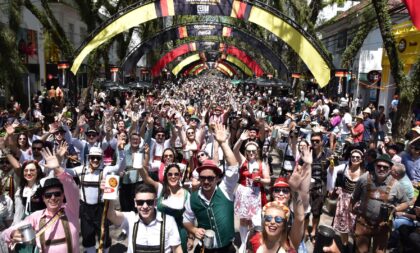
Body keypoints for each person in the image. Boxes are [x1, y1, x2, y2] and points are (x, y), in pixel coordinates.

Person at [2, 148, 80, 252]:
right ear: (43, 198)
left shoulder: (71, 210)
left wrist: (57, 168)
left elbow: (71, 187)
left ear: (63, 196)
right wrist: (12, 234)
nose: (53, 197)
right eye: (48, 195)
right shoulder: (36, 217)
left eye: (57, 194)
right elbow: (6, 233)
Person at [183, 123, 238, 253]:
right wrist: (194, 230)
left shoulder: (225, 189)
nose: (206, 181)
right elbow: (186, 220)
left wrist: (223, 143)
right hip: (205, 249)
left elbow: (234, 167)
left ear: (218, 178)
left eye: (210, 178)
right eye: (202, 178)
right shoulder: (193, 198)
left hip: (227, 248)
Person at [65, 141, 126, 253]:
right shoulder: (81, 169)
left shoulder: (105, 170)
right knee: (87, 234)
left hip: (101, 208)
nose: (95, 160)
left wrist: (121, 151)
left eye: (98, 158)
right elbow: (65, 172)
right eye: (93, 158)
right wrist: (62, 159)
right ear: (89, 158)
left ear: (101, 159)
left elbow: (120, 167)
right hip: (85, 208)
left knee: (104, 234)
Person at [350, 154, 410, 253]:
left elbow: (406, 203)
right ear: (374, 166)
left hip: (382, 226)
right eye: (379, 166)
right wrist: (351, 211)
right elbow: (354, 197)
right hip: (363, 223)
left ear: (390, 169)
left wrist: (395, 209)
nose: (381, 169)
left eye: (385, 167)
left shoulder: (396, 185)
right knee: (360, 251)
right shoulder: (364, 178)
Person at [140, 145, 191, 252]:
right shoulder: (160, 188)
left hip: (179, 232)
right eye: (170, 174)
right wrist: (140, 163)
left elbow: (190, 217)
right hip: (160, 231)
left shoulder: (186, 194)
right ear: (166, 176)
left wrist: (190, 237)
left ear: (180, 176)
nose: (173, 177)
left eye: (176, 174)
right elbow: (146, 177)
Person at [106, 183, 182, 253]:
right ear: (135, 203)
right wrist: (109, 192)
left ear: (155, 202)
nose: (145, 206)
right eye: (140, 202)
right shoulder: (130, 219)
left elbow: (176, 249)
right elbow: (111, 215)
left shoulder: (168, 221)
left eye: (149, 202)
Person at [233, 130, 270, 249]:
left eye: (253, 151)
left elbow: (268, 180)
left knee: (256, 220)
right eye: (249, 151)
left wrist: (260, 180)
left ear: (257, 151)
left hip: (255, 193)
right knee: (243, 220)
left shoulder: (262, 164)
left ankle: (256, 243)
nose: (251, 153)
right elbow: (234, 150)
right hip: (243, 193)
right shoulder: (243, 161)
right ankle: (244, 243)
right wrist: (241, 140)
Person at [331, 149, 364, 251]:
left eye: (357, 157)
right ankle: (345, 246)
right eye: (353, 157)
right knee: (343, 225)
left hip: (356, 202)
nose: (354, 159)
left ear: (361, 160)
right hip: (343, 200)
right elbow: (332, 171)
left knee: (355, 226)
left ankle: (355, 246)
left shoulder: (364, 173)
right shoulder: (345, 167)